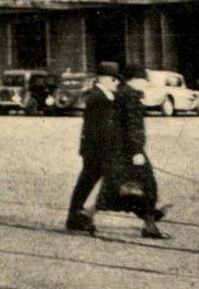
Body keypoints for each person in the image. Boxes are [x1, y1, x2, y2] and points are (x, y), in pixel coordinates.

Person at [103, 63, 168, 239]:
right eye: (143, 80)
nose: (145, 84)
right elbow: (133, 126)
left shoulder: (122, 94)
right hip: (130, 150)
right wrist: (137, 151)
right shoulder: (131, 97)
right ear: (135, 80)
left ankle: (89, 214)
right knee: (146, 184)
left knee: (117, 186)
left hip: (121, 149)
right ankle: (150, 224)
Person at [66, 62, 119, 234]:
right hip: (96, 149)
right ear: (104, 79)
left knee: (87, 182)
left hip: (97, 148)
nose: (116, 82)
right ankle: (78, 216)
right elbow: (99, 127)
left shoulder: (104, 95)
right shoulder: (98, 96)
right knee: (90, 182)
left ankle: (76, 215)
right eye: (113, 79)